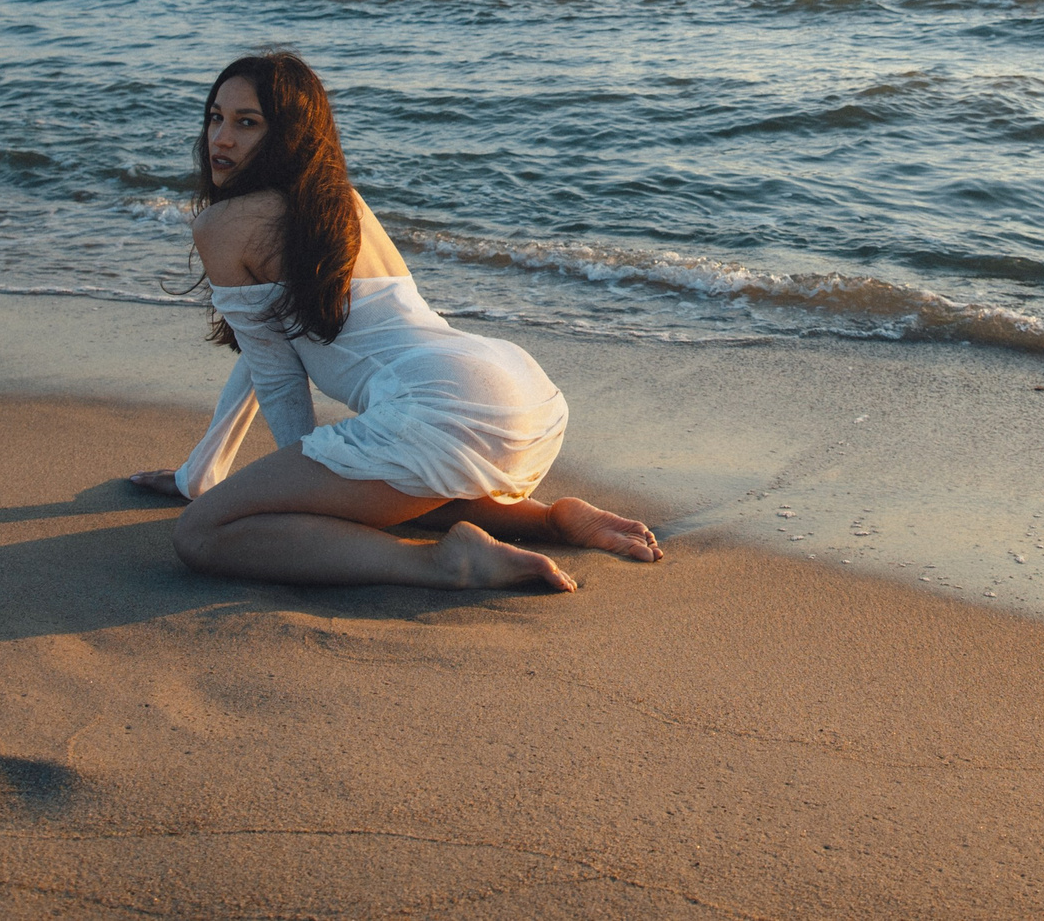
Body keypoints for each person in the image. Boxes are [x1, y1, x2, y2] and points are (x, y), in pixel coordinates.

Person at [129, 52, 662, 591]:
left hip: (444, 409)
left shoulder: (223, 224)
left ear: (289, 134)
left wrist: (289, 484)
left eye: (248, 123)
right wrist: (202, 474)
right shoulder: (343, 205)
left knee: (200, 533)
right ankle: (550, 520)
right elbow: (264, 348)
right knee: (386, 483)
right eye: (215, 117)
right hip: (524, 396)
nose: (221, 139)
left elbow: (276, 373)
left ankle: (439, 563)